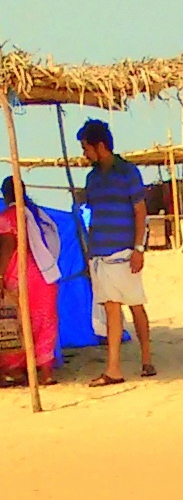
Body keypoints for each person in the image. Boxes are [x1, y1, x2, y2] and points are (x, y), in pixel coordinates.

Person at [76, 120, 155, 384]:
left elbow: (140, 211)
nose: (85, 154)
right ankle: (114, 368)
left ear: (100, 146)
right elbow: (92, 213)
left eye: (86, 148)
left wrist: (139, 248)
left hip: (123, 251)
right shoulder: (92, 179)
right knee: (112, 307)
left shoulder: (128, 173)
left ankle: (145, 359)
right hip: (100, 251)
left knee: (135, 305)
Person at [0, 178, 61, 384]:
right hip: (44, 276)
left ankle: (16, 370)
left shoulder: (8, 218)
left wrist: (0, 276)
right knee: (44, 323)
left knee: (15, 323)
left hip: (20, 276)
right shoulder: (37, 215)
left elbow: (7, 247)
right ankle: (46, 373)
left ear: (6, 194)